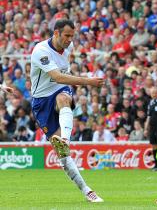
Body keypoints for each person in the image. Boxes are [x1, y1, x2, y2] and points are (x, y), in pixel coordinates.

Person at [30, 19, 104, 202]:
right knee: (63, 156)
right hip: (41, 101)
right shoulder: (41, 51)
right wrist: (88, 81)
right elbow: (56, 76)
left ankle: (65, 139)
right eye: (67, 35)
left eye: (72, 36)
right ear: (56, 33)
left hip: (59, 91)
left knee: (64, 98)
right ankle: (86, 189)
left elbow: (62, 78)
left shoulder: (68, 48)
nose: (70, 40)